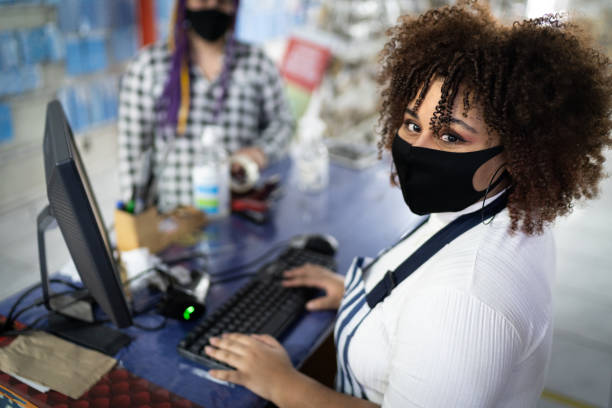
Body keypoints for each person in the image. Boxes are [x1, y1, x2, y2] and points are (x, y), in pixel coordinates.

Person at [201, 2, 612, 407]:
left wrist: (282, 385)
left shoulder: (463, 299)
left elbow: (451, 307)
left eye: (451, 137)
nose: (416, 148)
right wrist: (360, 296)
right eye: (412, 124)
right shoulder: (496, 208)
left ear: (521, 149)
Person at [118, 0, 294, 212]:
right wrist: (134, 217)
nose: (212, 7)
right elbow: (132, 153)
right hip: (174, 221)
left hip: (243, 214)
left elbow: (283, 122)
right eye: (202, 0)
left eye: (222, 2)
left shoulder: (257, 63)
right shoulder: (148, 67)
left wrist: (261, 152)